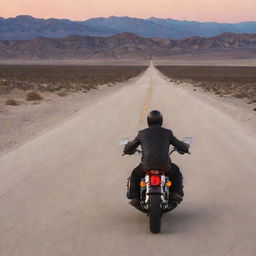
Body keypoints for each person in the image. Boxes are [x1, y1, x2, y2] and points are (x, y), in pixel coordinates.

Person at [123, 110, 189, 207]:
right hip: (165, 166)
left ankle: (135, 198)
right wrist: (185, 147)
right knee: (175, 171)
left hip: (146, 166)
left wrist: (127, 149)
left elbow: (130, 146)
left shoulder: (142, 133)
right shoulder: (167, 133)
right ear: (161, 121)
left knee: (135, 174)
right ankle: (175, 193)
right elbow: (180, 145)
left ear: (148, 121)